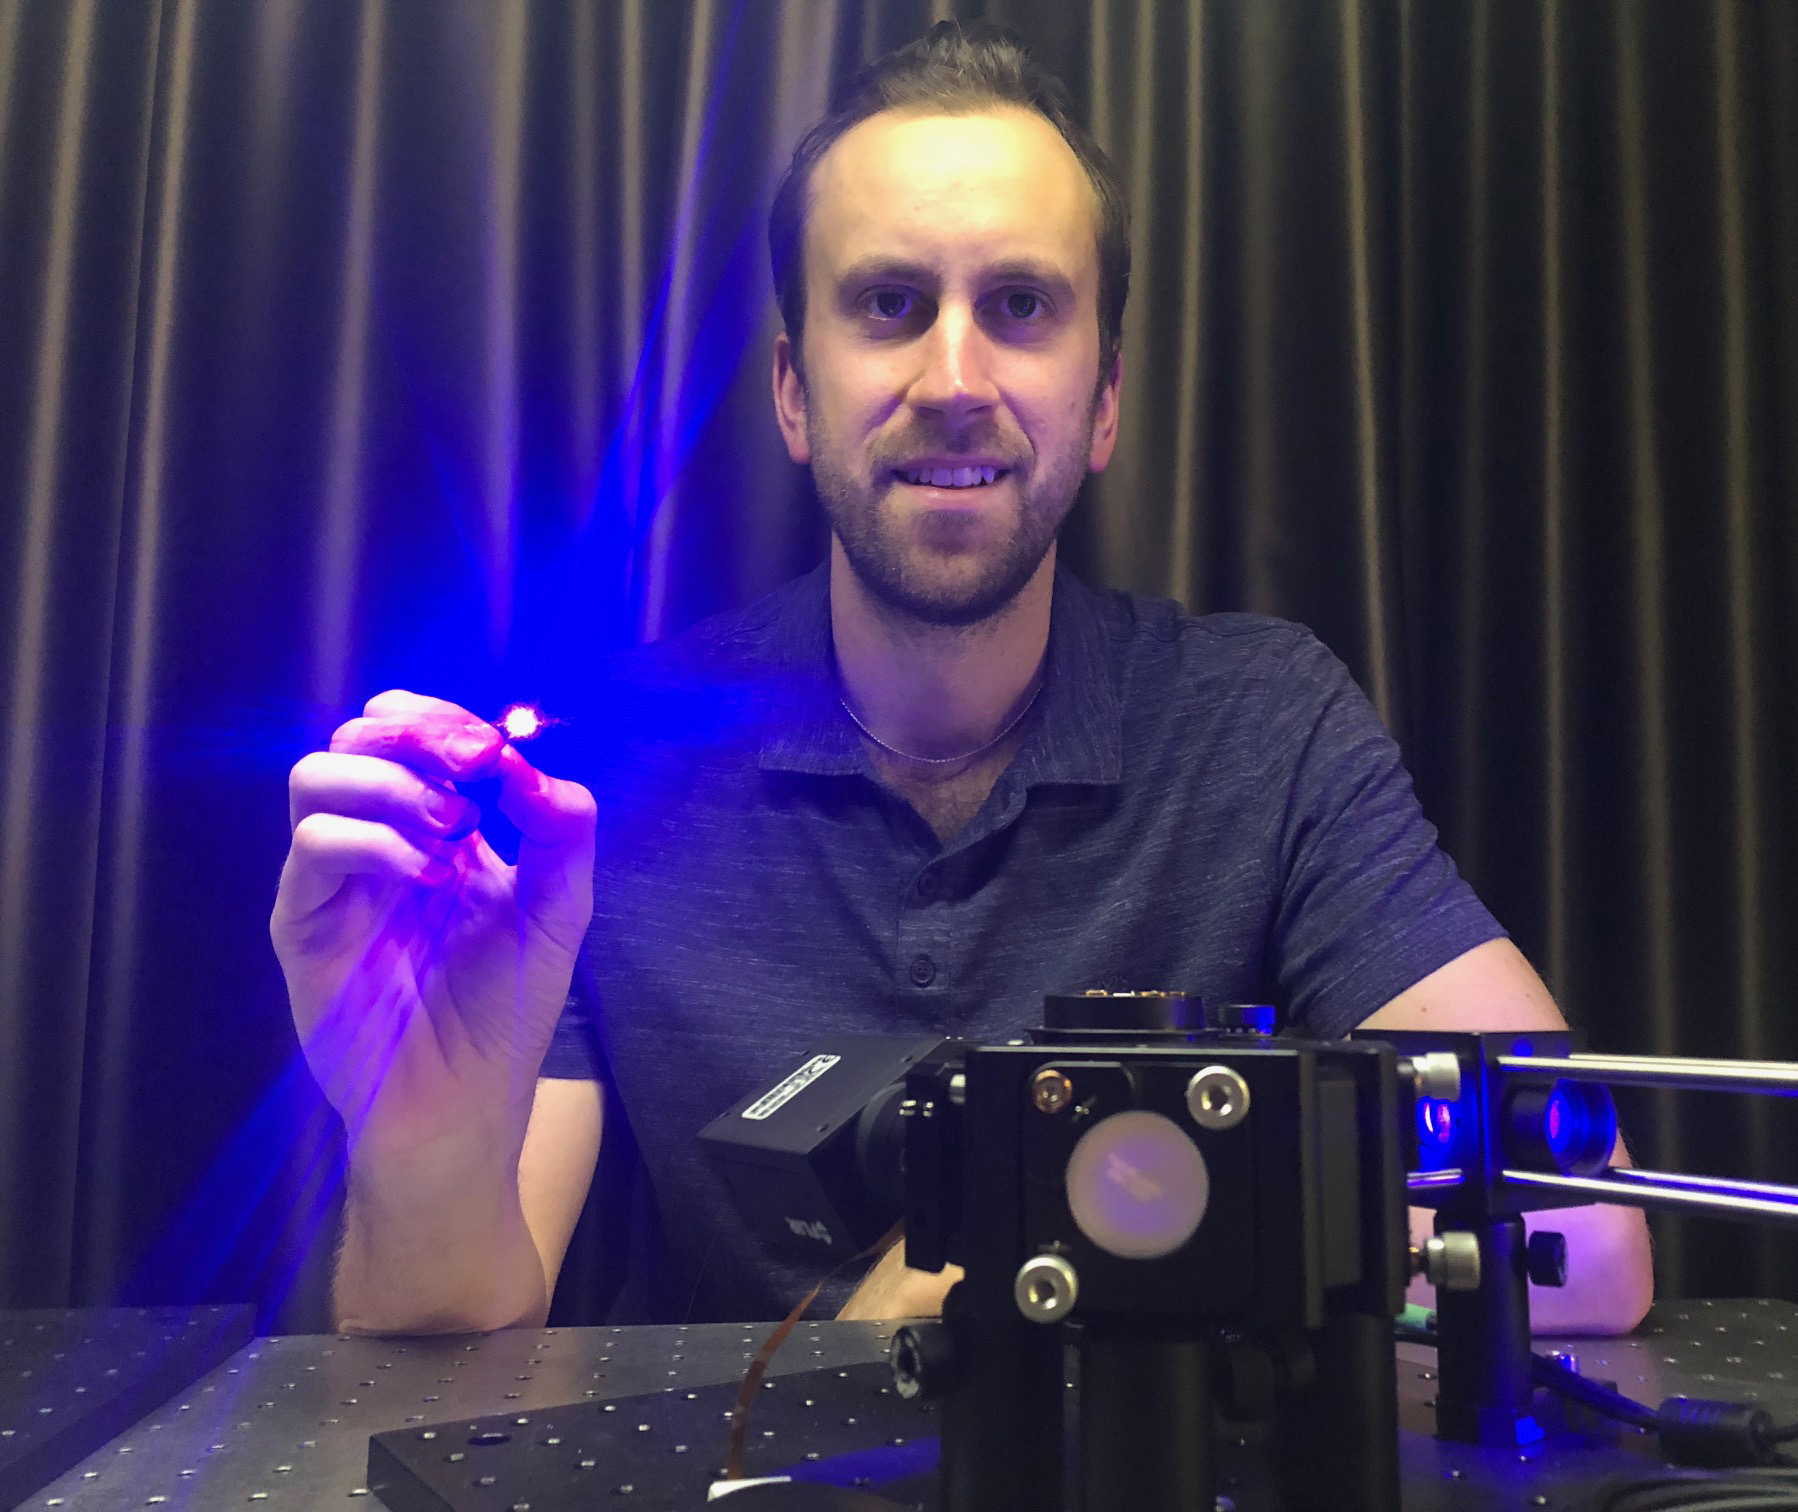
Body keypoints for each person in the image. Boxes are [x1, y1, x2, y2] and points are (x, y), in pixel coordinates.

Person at [271, 22, 1653, 1338]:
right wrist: (419, 1144)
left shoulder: (1264, 727)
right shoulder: (602, 783)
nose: (953, 376)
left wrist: (1060, 1275)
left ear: (1104, 399)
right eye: (889, 303)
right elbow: (446, 1325)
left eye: (1019, 306)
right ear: (795, 394)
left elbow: (1585, 1242)